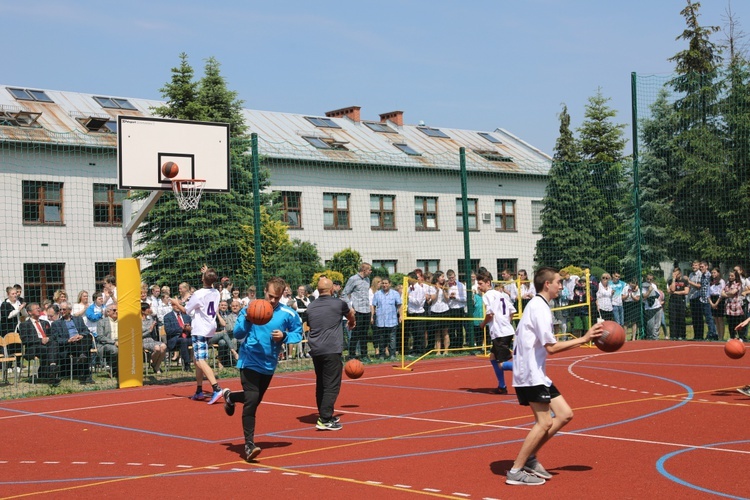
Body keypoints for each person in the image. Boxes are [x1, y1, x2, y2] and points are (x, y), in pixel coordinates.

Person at [506, 267, 602, 486]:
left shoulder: (539, 306)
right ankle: (515, 471)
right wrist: (584, 338)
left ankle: (530, 458)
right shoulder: (539, 308)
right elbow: (551, 347)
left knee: (565, 414)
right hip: (530, 374)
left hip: (535, 372)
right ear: (547, 284)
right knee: (544, 422)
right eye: (558, 281)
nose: (561, 285)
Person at [222, 276, 303, 462]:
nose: (272, 300)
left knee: (255, 399)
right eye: (270, 295)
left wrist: (284, 336)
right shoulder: (250, 309)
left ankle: (231, 397)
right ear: (264, 291)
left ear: (282, 294)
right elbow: (237, 333)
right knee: (252, 399)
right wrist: (249, 320)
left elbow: (298, 333)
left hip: (269, 364)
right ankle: (249, 445)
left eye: (277, 296)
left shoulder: (288, 313)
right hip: (249, 360)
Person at [306, 277, 355, 430]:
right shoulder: (338, 304)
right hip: (331, 348)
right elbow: (351, 314)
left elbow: (309, 323)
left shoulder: (311, 307)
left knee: (321, 382)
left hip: (316, 349)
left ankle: (324, 413)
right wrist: (351, 322)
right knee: (332, 384)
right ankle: (325, 418)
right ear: (332, 289)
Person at [172, 266, 224, 404]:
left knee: (200, 361)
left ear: (202, 279)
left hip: (200, 329)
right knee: (196, 359)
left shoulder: (199, 294)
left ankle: (216, 388)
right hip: (210, 327)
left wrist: (176, 302)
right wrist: (206, 273)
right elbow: (210, 284)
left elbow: (186, 311)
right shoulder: (216, 292)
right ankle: (199, 390)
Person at [476, 268, 515, 395]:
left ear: (488, 283)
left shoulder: (488, 295)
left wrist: (483, 323)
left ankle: (524, 368)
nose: (479, 286)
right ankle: (501, 386)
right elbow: (512, 311)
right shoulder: (500, 294)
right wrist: (505, 322)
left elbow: (490, 314)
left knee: (501, 364)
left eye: (481, 284)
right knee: (493, 357)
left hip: (500, 333)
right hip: (506, 330)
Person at [50, 301, 94, 384]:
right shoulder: (56, 324)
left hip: (80, 342)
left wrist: (80, 335)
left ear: (70, 310)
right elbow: (56, 339)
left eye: (64, 309)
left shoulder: (78, 319)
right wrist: (68, 340)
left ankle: (82, 356)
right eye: (60, 310)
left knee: (88, 337)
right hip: (68, 345)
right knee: (85, 351)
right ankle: (84, 373)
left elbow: (86, 331)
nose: (62, 311)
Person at [18, 302, 60, 386]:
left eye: (39, 308)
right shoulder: (24, 325)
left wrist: (48, 338)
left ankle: (51, 368)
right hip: (33, 348)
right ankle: (50, 372)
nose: (39, 309)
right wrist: (40, 340)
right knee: (47, 349)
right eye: (36, 308)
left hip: (47, 345)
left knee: (54, 344)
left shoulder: (45, 323)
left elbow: (52, 335)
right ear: (29, 312)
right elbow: (25, 340)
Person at [342, 262, 373, 361]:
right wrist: (350, 307)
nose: (370, 271)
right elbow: (344, 294)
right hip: (357, 310)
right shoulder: (353, 279)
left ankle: (364, 355)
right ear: (364, 270)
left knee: (364, 334)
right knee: (355, 334)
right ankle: (351, 355)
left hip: (366, 310)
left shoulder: (368, 280)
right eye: (369, 270)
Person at [370, 277, 402, 359]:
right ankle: (381, 354)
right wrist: (372, 317)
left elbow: (399, 305)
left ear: (390, 284)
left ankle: (392, 355)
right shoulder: (377, 294)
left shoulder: (395, 294)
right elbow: (373, 306)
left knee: (392, 338)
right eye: (383, 283)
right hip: (381, 321)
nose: (384, 285)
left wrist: (401, 316)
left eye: (386, 283)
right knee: (381, 338)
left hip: (392, 320)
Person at [163, 301, 193, 371]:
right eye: (176, 305)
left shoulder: (187, 316)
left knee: (199, 339)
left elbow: (193, 328)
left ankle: (200, 362)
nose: (178, 306)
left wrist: (189, 329)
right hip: (174, 339)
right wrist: (181, 328)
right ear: (172, 306)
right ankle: (187, 364)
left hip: (187, 337)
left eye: (180, 305)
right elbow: (168, 331)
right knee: (183, 341)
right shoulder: (167, 317)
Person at [141, 302, 167, 373]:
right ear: (143, 311)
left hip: (151, 340)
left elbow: (154, 333)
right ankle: (154, 364)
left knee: (163, 346)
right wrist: (150, 330)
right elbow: (139, 335)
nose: (149, 310)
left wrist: (153, 329)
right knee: (157, 348)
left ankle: (156, 365)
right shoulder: (138, 321)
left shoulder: (150, 320)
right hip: (143, 341)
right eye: (148, 308)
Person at [97, 303, 119, 376]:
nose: (117, 312)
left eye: (118, 310)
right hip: (106, 344)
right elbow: (100, 337)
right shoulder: (102, 322)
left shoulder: (122, 321)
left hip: (121, 342)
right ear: (108, 312)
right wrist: (114, 342)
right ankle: (114, 370)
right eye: (114, 310)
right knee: (115, 350)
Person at [667, 268, 689, 340]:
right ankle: (673, 335)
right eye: (674, 273)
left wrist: (676, 292)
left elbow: (686, 292)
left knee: (681, 318)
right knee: (673, 318)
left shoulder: (684, 281)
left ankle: (682, 335)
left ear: (680, 273)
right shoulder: (670, 281)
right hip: (673, 301)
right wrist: (673, 279)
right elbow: (671, 290)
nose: (675, 275)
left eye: (677, 273)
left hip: (681, 301)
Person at [641, 274, 663, 340]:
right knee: (650, 324)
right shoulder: (643, 286)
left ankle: (656, 337)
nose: (649, 280)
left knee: (658, 323)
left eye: (651, 279)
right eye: (648, 279)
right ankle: (650, 336)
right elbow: (644, 297)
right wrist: (649, 290)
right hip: (649, 307)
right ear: (646, 279)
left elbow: (657, 295)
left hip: (657, 306)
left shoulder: (654, 285)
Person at [687, 261, 704, 340]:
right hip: (692, 297)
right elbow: (689, 286)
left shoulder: (700, 274)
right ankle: (696, 335)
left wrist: (690, 282)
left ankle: (700, 335)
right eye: (693, 265)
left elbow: (699, 286)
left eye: (696, 265)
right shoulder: (691, 274)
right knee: (694, 318)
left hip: (698, 297)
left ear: (698, 266)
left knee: (699, 317)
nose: (694, 266)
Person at [708, 268, 726, 341]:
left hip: (719, 300)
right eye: (712, 273)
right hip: (712, 300)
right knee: (715, 319)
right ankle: (719, 336)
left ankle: (721, 336)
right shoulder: (711, 282)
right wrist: (711, 303)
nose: (713, 274)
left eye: (714, 273)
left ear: (718, 273)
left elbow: (721, 293)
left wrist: (716, 303)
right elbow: (708, 293)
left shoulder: (721, 281)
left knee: (720, 318)